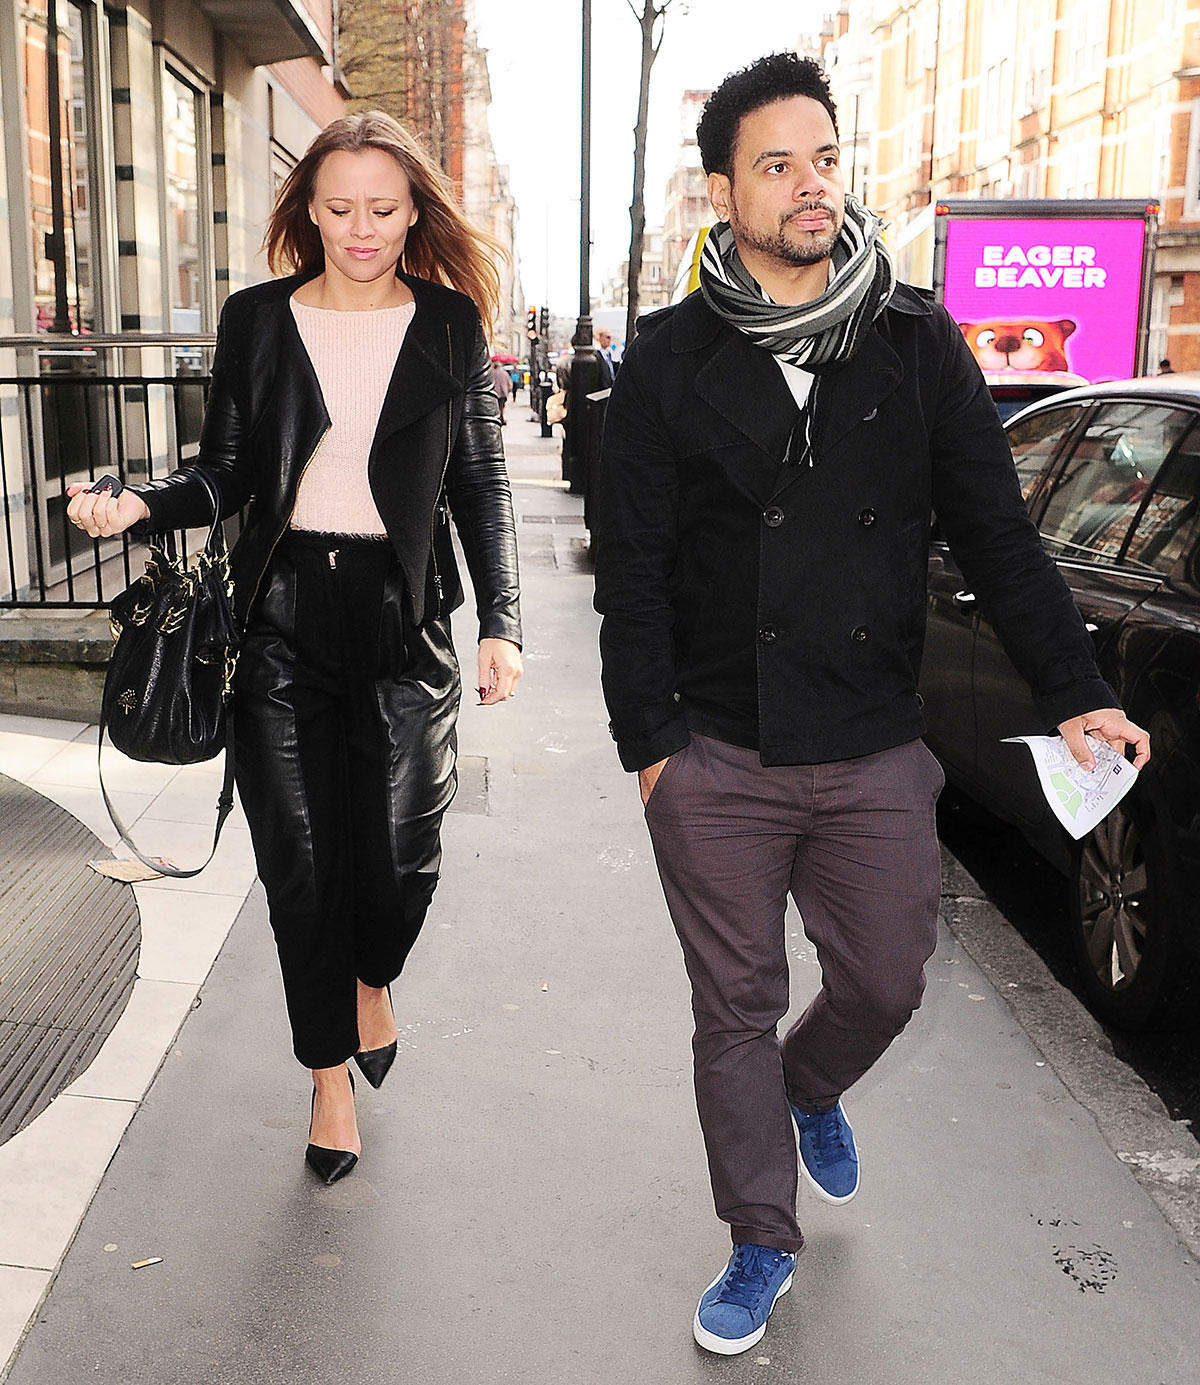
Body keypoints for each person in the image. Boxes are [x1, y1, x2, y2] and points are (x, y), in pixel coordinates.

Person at [592, 53, 1149, 1357]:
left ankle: (811, 1082)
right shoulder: (670, 359)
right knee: (732, 1005)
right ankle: (759, 1239)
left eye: (825, 158)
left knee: (889, 976)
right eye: (777, 164)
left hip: (870, 739)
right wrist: (651, 747)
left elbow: (999, 534)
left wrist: (1075, 689)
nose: (811, 185)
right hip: (716, 745)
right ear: (724, 191)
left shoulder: (913, 339)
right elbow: (634, 569)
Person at [67, 111, 523, 1186]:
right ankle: (327, 1077)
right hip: (280, 622)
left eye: (382, 208)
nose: (361, 229)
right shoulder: (259, 320)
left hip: (405, 623)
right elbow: (227, 470)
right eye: (339, 208)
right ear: (308, 211)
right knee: (302, 868)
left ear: (412, 212)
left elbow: (480, 482)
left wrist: (502, 620)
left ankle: (372, 976)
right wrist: (142, 504)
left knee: (400, 861)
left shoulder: (448, 324)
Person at [492, 357, 512, 424]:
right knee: (502, 406)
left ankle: (499, 418)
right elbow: (509, 383)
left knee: (496, 406)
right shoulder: (505, 373)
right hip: (503, 392)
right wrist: (509, 389)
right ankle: (501, 417)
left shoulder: (493, 373)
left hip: (495, 392)